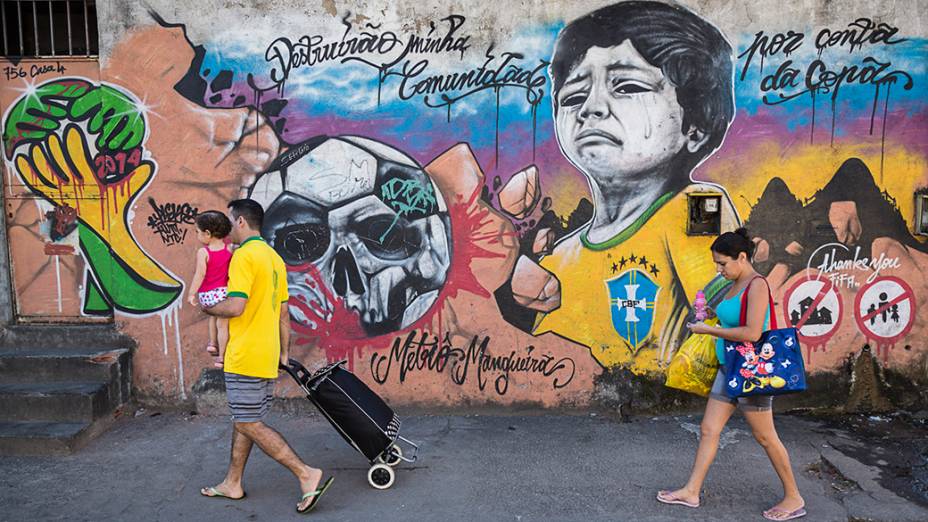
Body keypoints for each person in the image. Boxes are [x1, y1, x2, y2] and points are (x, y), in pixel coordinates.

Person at [533, 1, 740, 371]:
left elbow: (725, 311)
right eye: (574, 96)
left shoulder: (699, 206)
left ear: (696, 127)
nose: (590, 108)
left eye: (627, 86)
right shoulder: (560, 257)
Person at [657, 228, 806, 521]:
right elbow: (733, 319)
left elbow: (752, 332)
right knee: (709, 429)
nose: (718, 269)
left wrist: (709, 330)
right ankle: (691, 491)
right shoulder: (736, 283)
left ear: (741, 257)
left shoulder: (757, 285)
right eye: (716, 263)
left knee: (765, 437)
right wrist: (712, 313)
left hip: (753, 372)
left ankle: (794, 497)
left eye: (722, 263)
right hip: (730, 369)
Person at [199, 199, 334, 514]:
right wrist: (284, 353)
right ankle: (233, 482)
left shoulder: (243, 257)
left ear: (242, 222)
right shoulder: (273, 257)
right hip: (267, 351)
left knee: (249, 421)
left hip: (245, 353)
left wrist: (204, 306)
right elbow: (284, 313)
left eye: (231, 222)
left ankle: (306, 473)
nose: (228, 229)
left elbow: (235, 307)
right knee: (245, 418)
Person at [187, 211, 234, 368]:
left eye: (197, 232)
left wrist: (192, 293)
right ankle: (221, 357)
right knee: (223, 326)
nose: (197, 235)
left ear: (207, 233)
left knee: (212, 318)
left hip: (207, 296)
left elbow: (200, 275)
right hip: (223, 294)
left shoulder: (204, 252)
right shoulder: (230, 250)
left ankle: (212, 343)